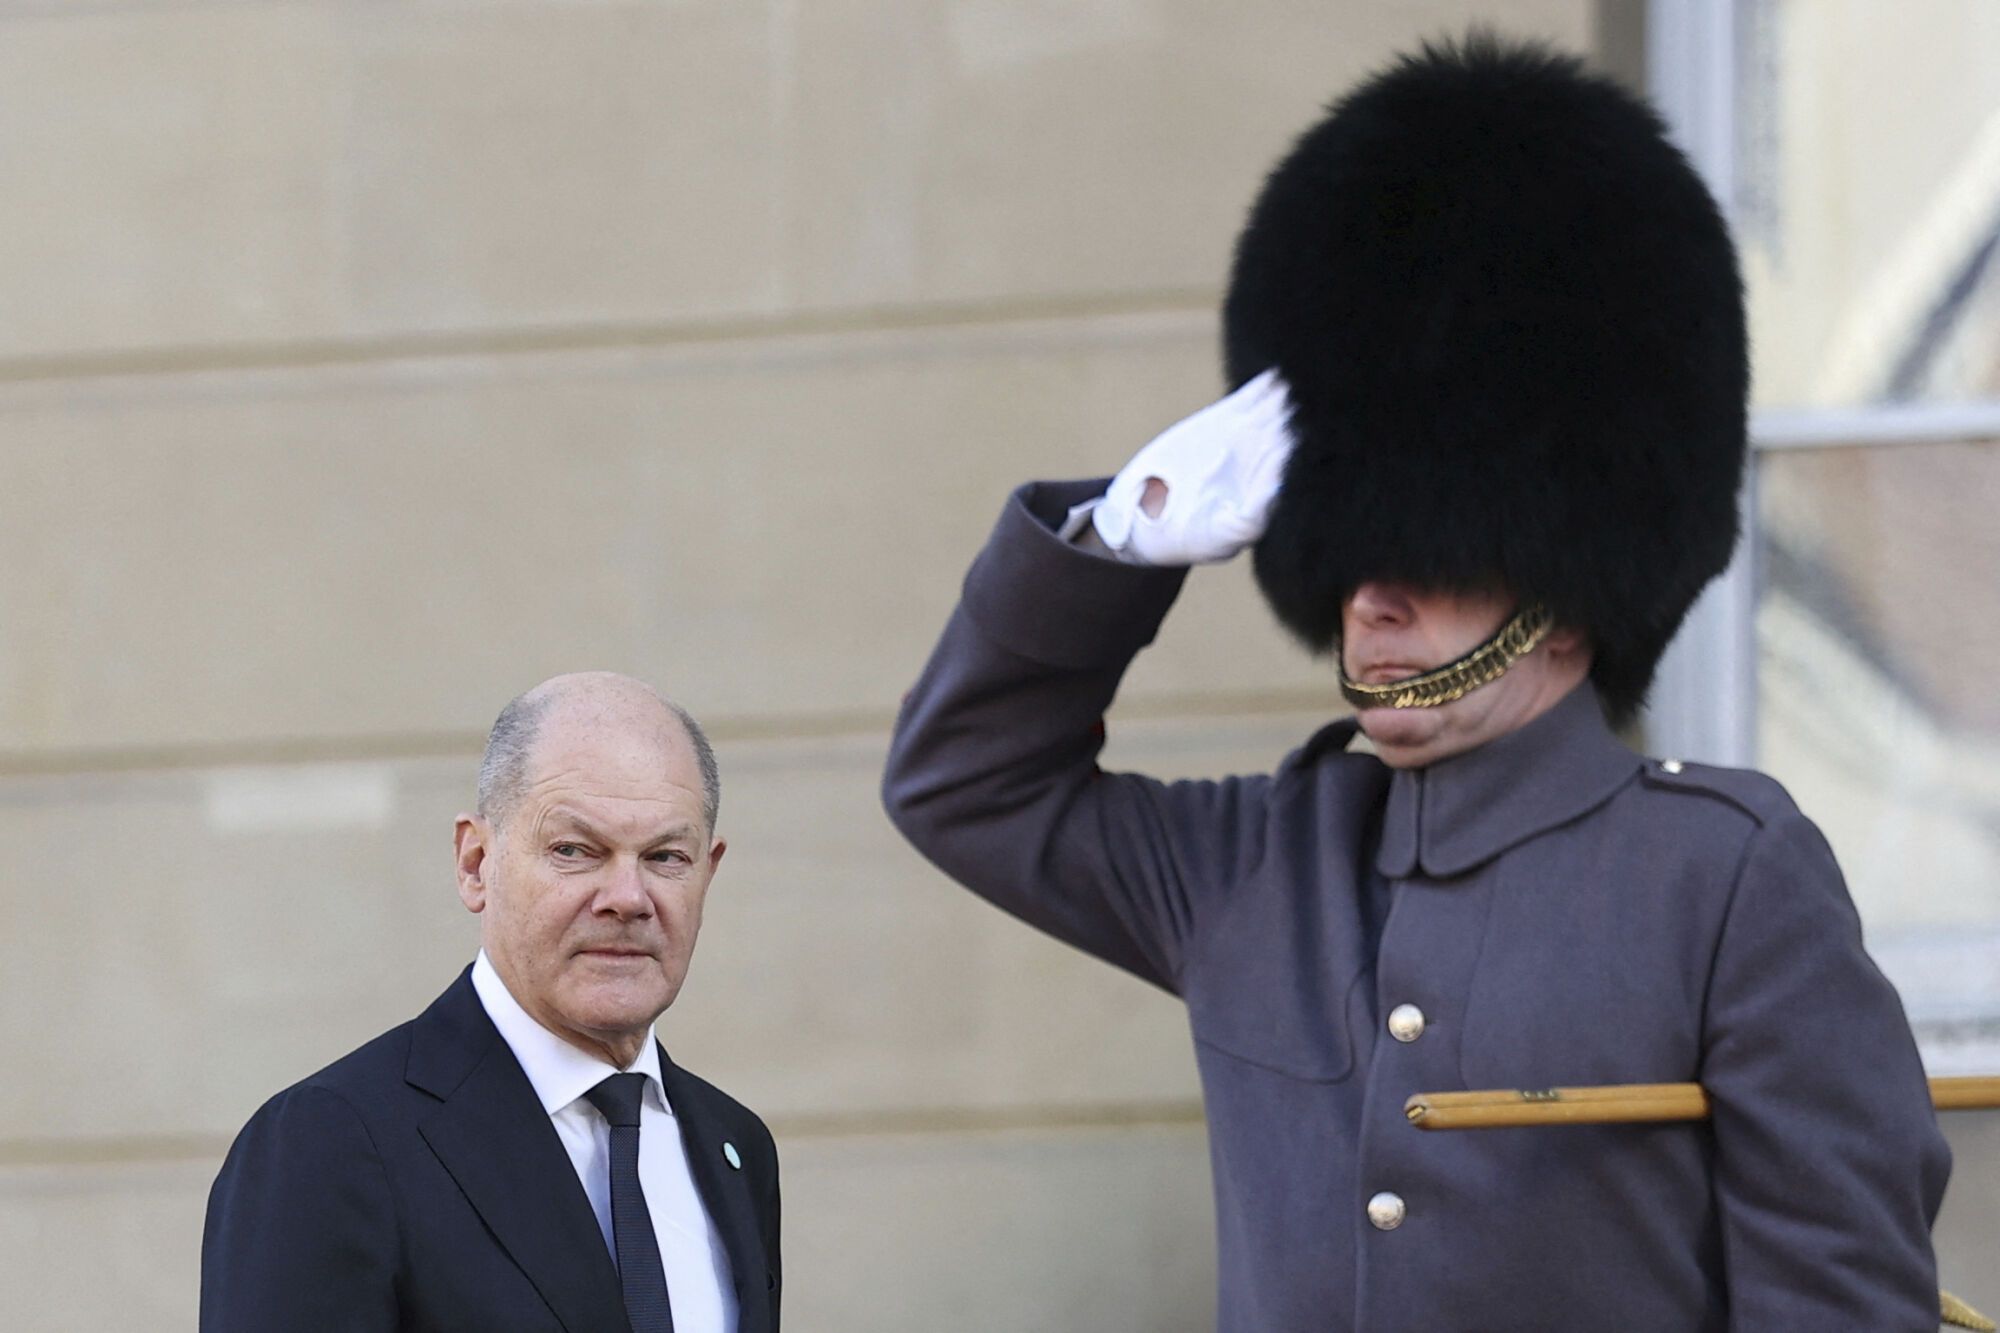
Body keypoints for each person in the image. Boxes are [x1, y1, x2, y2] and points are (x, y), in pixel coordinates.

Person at [882, 36, 1950, 1332]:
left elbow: (1838, 1303)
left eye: (1430, 556)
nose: (1369, 597)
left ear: (1563, 584)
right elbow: (963, 783)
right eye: (1345, 550)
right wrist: (1118, 537)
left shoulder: (1723, 878)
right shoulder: (1255, 869)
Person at [202, 672, 779, 1332]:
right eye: (574, 849)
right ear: (476, 862)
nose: (628, 895)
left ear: (709, 871)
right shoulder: (332, 1140)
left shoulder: (736, 1147)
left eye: (666, 856)